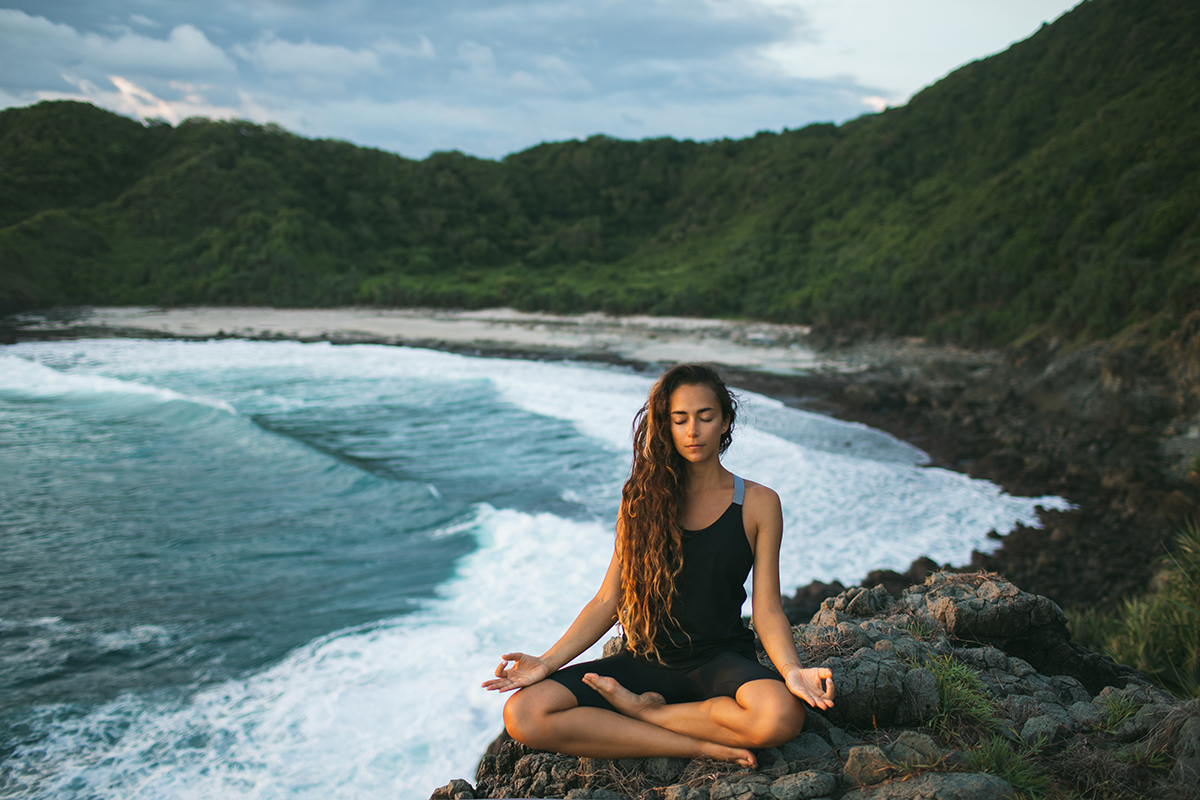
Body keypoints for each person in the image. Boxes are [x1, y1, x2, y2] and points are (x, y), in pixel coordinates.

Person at [482, 364, 834, 768]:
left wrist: (791, 670)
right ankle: (695, 744)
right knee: (523, 714)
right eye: (679, 419)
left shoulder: (758, 503)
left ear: (725, 422)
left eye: (705, 417)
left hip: (718, 661)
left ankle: (648, 713)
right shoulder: (639, 501)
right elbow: (607, 600)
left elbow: (768, 607)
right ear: (664, 426)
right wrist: (545, 663)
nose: (693, 431)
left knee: (781, 716)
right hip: (643, 661)